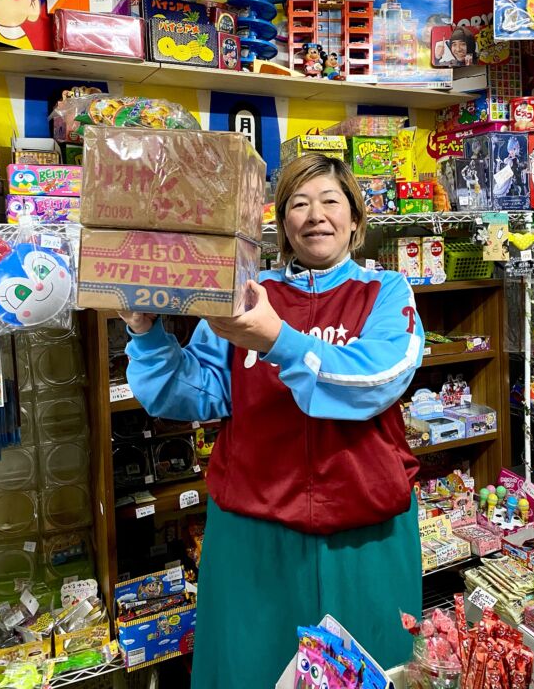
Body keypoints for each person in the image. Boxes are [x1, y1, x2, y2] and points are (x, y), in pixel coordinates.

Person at [122, 154, 425, 688]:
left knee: (376, 671)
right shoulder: (244, 295)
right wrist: (146, 333)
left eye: (331, 201)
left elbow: (380, 378)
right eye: (299, 203)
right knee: (250, 671)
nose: (315, 215)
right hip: (253, 530)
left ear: (355, 218)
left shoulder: (386, 292)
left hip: (365, 529)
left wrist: (276, 341)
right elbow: (195, 392)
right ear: (281, 222)